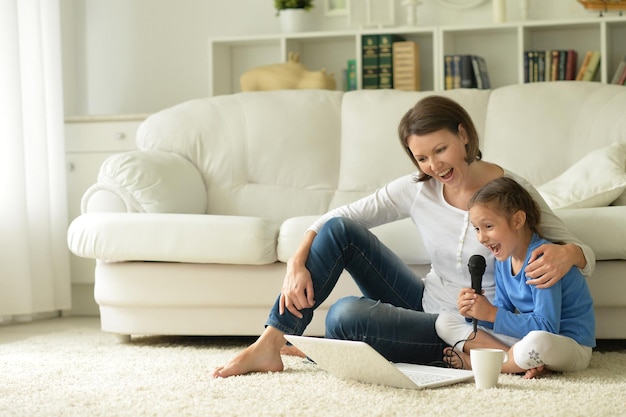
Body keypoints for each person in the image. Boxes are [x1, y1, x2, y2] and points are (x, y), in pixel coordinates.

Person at [212, 95, 594, 378]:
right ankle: (270, 342)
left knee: (345, 318)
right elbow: (337, 218)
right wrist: (295, 263)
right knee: (340, 234)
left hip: (477, 327)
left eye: (441, 149)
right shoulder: (417, 188)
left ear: (464, 135)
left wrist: (572, 253)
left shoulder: (510, 190)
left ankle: (460, 358)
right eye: (422, 158)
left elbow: (579, 251)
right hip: (423, 302)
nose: (434, 165)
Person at [435, 177, 596, 379]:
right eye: (477, 228)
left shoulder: (542, 260)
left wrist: (492, 314)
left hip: (567, 344)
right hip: (528, 338)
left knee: (536, 342)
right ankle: (517, 362)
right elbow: (504, 313)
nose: (481, 238)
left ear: (517, 220)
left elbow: (546, 327)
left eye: (488, 226)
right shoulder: (502, 260)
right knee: (444, 322)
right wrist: (476, 311)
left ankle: (480, 364)